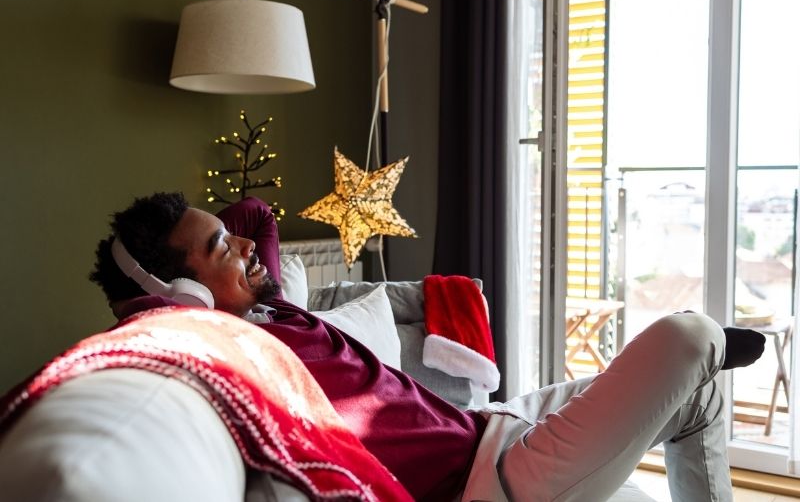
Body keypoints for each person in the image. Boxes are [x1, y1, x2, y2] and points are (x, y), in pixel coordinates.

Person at [90, 192, 766, 502]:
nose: (243, 248)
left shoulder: (273, 307)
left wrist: (212, 238)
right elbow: (140, 326)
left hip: (498, 428)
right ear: (182, 292)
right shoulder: (221, 341)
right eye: (219, 251)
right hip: (498, 485)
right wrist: (173, 297)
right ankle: (704, 344)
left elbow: (256, 213)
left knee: (699, 389)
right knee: (687, 337)